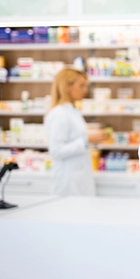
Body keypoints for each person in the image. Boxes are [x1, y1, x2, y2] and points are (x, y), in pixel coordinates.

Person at [45, 68, 104, 196]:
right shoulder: (59, 113)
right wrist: (86, 140)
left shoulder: (72, 111)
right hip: (68, 184)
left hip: (79, 179)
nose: (85, 90)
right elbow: (56, 151)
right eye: (81, 85)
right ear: (67, 87)